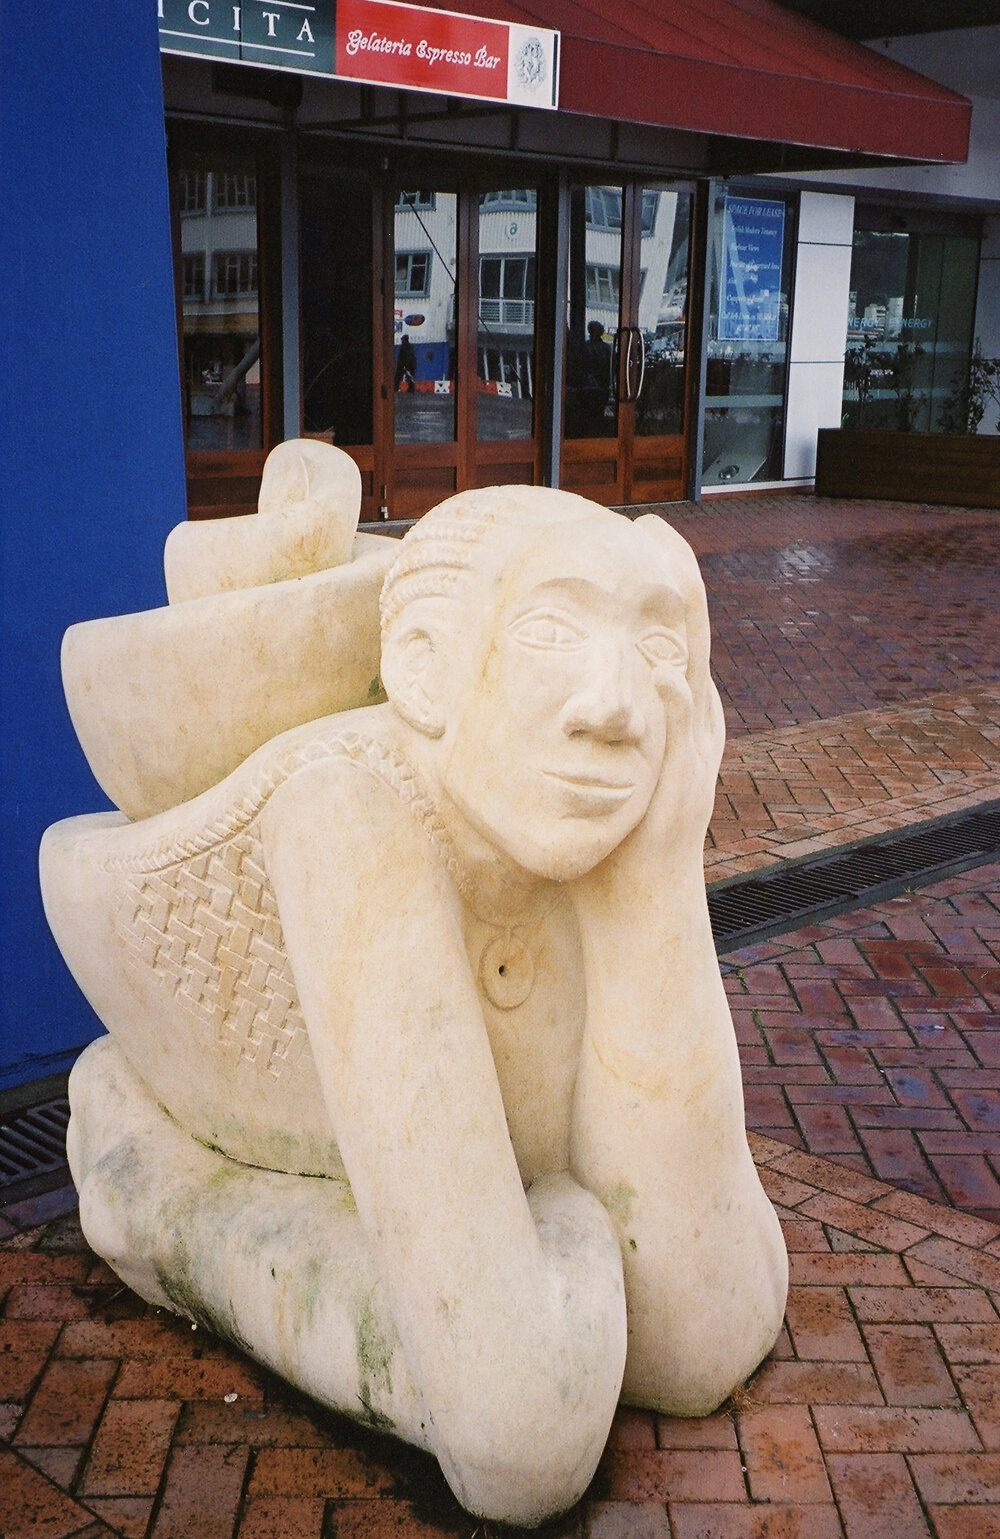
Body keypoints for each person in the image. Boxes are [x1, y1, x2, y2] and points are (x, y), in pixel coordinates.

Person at [45, 486, 787, 1526]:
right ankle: (154, 1193)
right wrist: (572, 1218)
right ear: (426, 671)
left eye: (658, 650)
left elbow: (702, 1342)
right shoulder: (345, 807)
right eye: (549, 631)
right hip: (221, 1051)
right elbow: (517, 1437)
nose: (615, 706)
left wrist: (651, 892)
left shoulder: (598, 817)